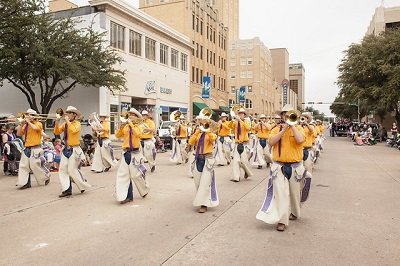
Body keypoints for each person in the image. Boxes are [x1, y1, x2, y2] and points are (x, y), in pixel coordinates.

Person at [256, 104, 309, 232]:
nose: (287, 116)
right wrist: (284, 129)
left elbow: (300, 140)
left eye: (289, 114)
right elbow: (271, 142)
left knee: (294, 195)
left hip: (295, 167)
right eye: (285, 114)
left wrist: (293, 126)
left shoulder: (299, 128)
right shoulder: (276, 129)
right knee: (281, 195)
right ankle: (282, 221)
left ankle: (295, 212)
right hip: (279, 166)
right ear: (282, 116)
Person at [54, 106, 91, 197]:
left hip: (74, 149)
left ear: (74, 115)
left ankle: (83, 184)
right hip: (66, 148)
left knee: (72, 170)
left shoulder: (77, 123)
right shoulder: (65, 124)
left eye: (69, 113)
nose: (67, 114)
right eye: (66, 113)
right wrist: (57, 122)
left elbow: (73, 130)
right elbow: (57, 132)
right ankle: (67, 189)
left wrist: (66, 121)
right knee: (62, 170)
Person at [115, 107, 149, 204]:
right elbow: (117, 136)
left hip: (135, 153)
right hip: (126, 152)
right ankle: (126, 196)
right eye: (129, 114)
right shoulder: (126, 126)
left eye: (132, 115)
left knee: (136, 176)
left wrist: (131, 124)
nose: (130, 116)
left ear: (136, 117)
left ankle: (144, 190)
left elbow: (138, 134)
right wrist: (121, 127)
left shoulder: (139, 126)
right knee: (124, 176)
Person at [188, 119, 219, 213]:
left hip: (207, 159)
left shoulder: (211, 134)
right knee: (197, 182)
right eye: (201, 124)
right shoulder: (198, 133)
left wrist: (207, 130)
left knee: (205, 184)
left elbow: (213, 139)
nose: (202, 125)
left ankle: (204, 204)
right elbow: (191, 142)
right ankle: (201, 200)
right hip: (198, 158)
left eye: (204, 124)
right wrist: (197, 130)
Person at [16, 109, 50, 189]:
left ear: (34, 116)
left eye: (30, 115)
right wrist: (21, 124)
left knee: (35, 166)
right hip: (27, 148)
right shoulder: (26, 125)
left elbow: (35, 128)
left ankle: (46, 177)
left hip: (36, 148)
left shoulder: (39, 124)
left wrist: (28, 122)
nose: (28, 116)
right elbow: (18, 134)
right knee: (23, 166)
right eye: (27, 115)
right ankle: (24, 183)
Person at [229, 108, 253, 182]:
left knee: (244, 161)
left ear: (244, 115)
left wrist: (240, 121)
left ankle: (247, 172)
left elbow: (248, 128)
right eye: (239, 113)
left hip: (244, 144)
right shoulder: (236, 122)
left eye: (242, 113)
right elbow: (230, 126)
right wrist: (232, 119)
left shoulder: (247, 121)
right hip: (237, 143)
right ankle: (236, 177)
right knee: (236, 161)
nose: (240, 115)